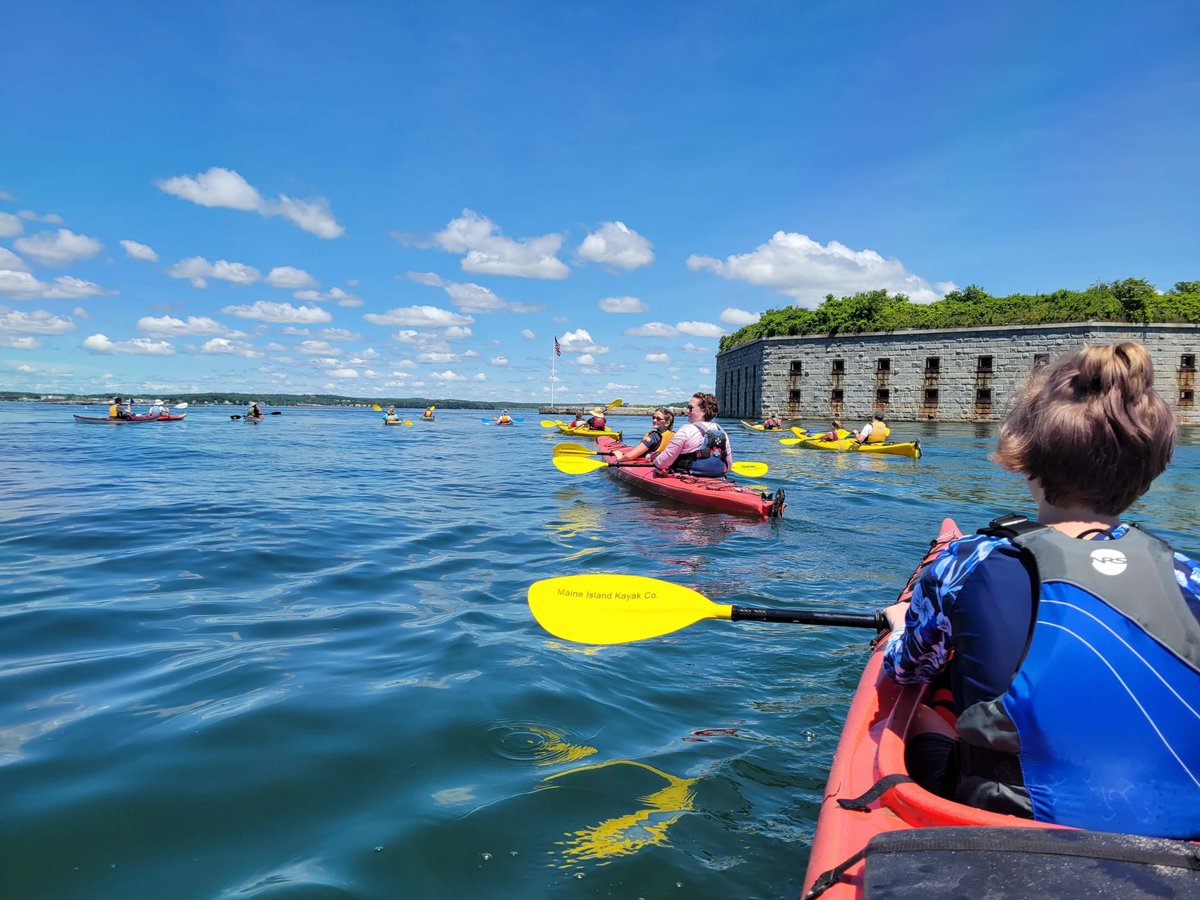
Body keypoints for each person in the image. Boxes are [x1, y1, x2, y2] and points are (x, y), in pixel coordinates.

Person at [880, 342, 1200, 839]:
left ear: (1023, 458)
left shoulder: (969, 559)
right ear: (1150, 469)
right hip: (1173, 826)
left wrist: (901, 626)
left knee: (923, 712)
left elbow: (907, 670)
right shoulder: (1189, 575)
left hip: (1010, 817)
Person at [650, 392, 732, 478]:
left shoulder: (686, 430)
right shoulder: (722, 432)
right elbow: (728, 467)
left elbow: (663, 463)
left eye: (690, 408)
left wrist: (655, 460)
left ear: (704, 410)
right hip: (717, 480)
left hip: (686, 480)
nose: (687, 411)